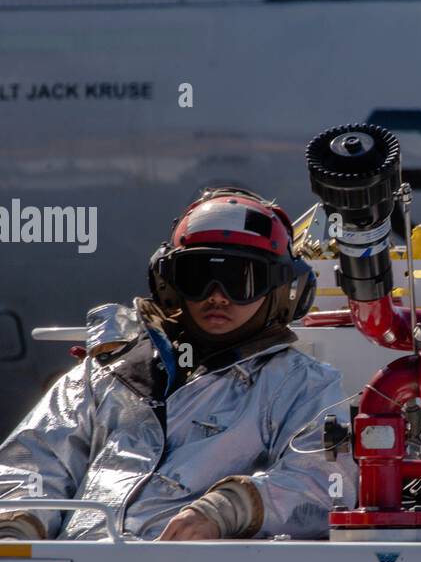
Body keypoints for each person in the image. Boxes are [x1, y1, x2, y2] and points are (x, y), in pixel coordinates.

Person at [0, 187, 354, 541]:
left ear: (282, 288)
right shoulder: (104, 374)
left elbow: (325, 485)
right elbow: (33, 461)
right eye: (198, 276)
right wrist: (17, 523)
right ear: (167, 282)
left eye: (240, 280)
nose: (217, 295)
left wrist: (231, 508)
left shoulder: (303, 386)